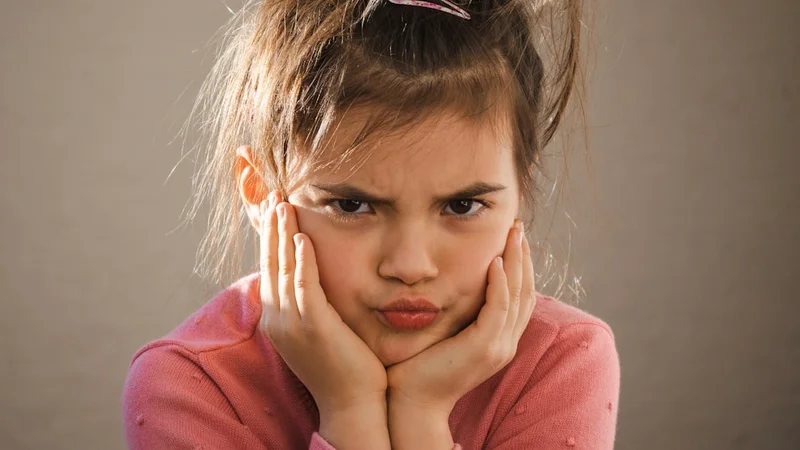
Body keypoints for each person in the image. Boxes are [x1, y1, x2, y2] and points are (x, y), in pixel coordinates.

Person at [122, 1, 620, 449]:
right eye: (353, 207)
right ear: (260, 195)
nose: (410, 267)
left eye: (463, 206)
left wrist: (422, 413)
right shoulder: (189, 386)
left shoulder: (560, 361)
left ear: (520, 193)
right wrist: (350, 410)